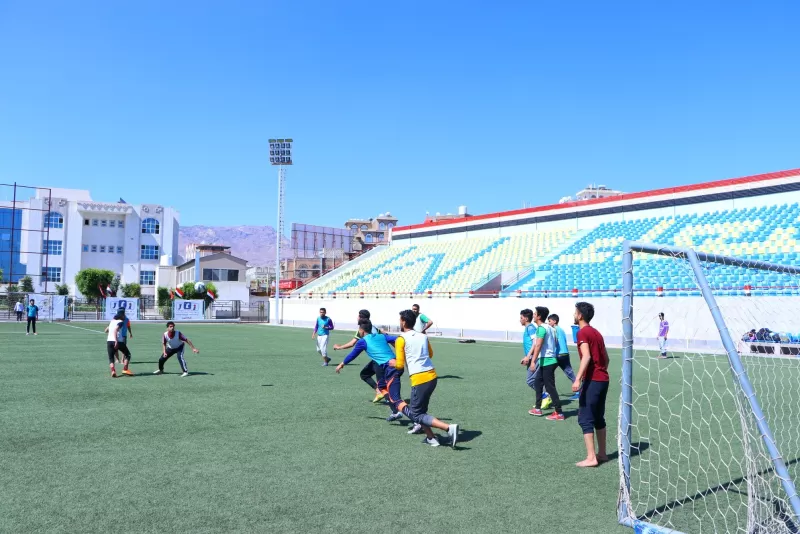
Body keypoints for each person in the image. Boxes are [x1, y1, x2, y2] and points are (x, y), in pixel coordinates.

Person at [390, 309, 459, 447]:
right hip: (432, 376)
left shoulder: (401, 339)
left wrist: (393, 362)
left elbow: (399, 364)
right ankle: (431, 438)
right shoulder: (423, 336)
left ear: (403, 322)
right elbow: (431, 354)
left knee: (416, 415)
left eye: (400, 320)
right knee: (421, 411)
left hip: (419, 379)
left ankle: (448, 428)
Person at [335, 320, 402, 421]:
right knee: (372, 379)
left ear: (361, 331)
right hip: (393, 363)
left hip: (384, 365)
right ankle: (396, 409)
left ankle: (398, 411)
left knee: (384, 388)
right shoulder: (380, 335)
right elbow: (397, 339)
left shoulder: (362, 341)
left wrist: (342, 364)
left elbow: (353, 354)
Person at [571, 301, 610, 468]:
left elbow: (586, 356)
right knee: (598, 417)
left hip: (593, 380)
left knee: (585, 418)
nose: (573, 315)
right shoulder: (597, 333)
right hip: (603, 379)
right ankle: (602, 453)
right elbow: (606, 359)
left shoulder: (583, 333)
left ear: (580, 315)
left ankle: (591, 457)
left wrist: (578, 378)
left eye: (574, 312)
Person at [333, 309, 387, 403]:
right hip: (382, 356)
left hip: (379, 359)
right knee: (365, 374)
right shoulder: (373, 327)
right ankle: (380, 392)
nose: (357, 317)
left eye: (358, 315)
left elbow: (352, 344)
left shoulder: (362, 330)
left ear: (361, 317)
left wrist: (339, 347)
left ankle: (391, 401)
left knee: (381, 382)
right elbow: (385, 334)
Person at [522, 306, 564, 420]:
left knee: (550, 387)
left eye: (535, 314)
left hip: (547, 361)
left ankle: (559, 412)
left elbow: (538, 345)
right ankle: (538, 408)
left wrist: (533, 361)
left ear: (539, 316)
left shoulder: (541, 328)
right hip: (548, 360)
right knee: (537, 383)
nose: (533, 315)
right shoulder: (550, 328)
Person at [548, 314, 581, 401]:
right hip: (565, 353)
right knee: (569, 373)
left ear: (554, 321)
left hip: (558, 354)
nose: (548, 323)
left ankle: (548, 393)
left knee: (547, 373)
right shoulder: (561, 330)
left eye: (550, 321)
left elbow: (554, 341)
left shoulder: (554, 329)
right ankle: (579, 392)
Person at [104, 311, 134, 377]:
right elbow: (115, 330)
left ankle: (113, 371)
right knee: (128, 354)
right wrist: (116, 341)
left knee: (111, 358)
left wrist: (110, 329)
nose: (125, 316)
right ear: (121, 316)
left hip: (109, 341)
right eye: (124, 315)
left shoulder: (112, 322)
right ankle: (125, 369)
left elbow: (106, 331)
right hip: (118, 341)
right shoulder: (120, 322)